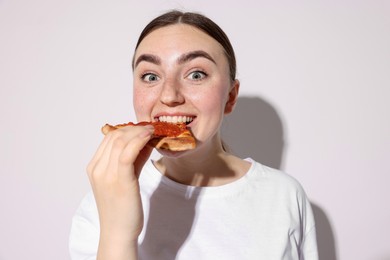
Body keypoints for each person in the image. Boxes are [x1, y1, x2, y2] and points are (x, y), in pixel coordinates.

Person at [69, 10, 318, 260]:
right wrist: (118, 233)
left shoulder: (283, 195)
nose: (169, 95)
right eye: (151, 76)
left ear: (230, 97)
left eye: (196, 74)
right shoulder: (103, 203)